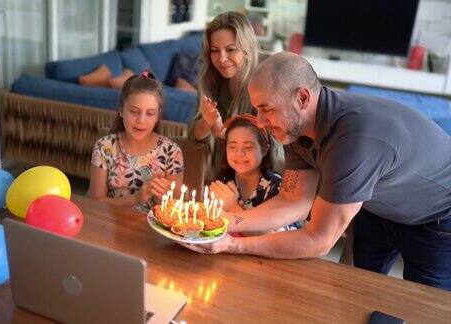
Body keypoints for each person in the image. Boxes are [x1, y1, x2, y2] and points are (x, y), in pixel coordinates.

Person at [180, 52, 451, 291]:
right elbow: (292, 200)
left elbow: (318, 239)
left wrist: (233, 245)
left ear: (302, 97)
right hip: (377, 203)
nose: (260, 123)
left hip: (435, 218)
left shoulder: (353, 142)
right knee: (358, 291)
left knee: (426, 306)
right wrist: (228, 220)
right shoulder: (295, 128)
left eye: (266, 109)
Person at [188, 11, 281, 180]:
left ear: (246, 48)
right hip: (220, 175)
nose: (222, 59)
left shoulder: (269, 75)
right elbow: (193, 137)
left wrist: (220, 130)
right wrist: (206, 122)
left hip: (264, 176)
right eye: (215, 50)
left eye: (230, 49)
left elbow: (270, 144)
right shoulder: (209, 78)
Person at [88, 70, 184, 208]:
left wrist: (162, 197)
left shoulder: (171, 152)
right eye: (133, 111)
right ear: (121, 110)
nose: (141, 120)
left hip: (151, 228)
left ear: (158, 116)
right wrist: (135, 198)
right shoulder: (104, 147)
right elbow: (94, 204)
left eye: (150, 113)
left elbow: (177, 208)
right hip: (110, 225)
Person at [209, 115, 301, 233]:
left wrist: (232, 207)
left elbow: (276, 242)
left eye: (248, 147)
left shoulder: (276, 188)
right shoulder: (225, 179)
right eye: (232, 147)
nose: (240, 153)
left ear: (264, 149)